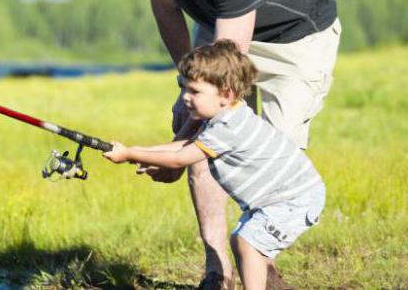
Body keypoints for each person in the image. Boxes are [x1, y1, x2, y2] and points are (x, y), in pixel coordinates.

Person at [92, 0, 340, 288]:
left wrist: (181, 143)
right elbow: (165, 7)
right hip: (219, 25)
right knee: (196, 120)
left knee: (256, 151)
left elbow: (226, 71)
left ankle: (259, 256)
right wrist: (183, 85)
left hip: (293, 43)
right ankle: (216, 269)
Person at [103, 40, 325, 290]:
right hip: (279, 199)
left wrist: (132, 153)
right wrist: (133, 152)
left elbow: (180, 158)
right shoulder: (224, 115)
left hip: (293, 199)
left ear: (226, 94)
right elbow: (180, 146)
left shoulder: (228, 127)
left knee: (245, 242)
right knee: (243, 243)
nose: (186, 98)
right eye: (183, 88)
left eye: (194, 91)